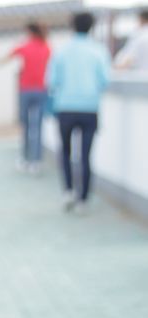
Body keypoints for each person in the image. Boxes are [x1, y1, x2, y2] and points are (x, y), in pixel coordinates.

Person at [45, 11, 111, 214]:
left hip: (65, 107)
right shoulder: (99, 50)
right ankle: (83, 199)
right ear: (91, 27)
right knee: (85, 155)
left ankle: (68, 191)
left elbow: (51, 81)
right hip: (90, 108)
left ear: (72, 26)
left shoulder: (62, 51)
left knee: (65, 151)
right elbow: (105, 81)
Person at [7, 21, 51, 170]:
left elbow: (3, 59)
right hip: (41, 91)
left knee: (26, 126)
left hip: (26, 91)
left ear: (29, 31)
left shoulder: (24, 47)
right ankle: (36, 161)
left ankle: (25, 158)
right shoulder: (46, 47)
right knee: (37, 127)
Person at [114, 6, 148, 75]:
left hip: (140, 80)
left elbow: (127, 60)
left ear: (141, 19)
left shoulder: (139, 36)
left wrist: (115, 71)